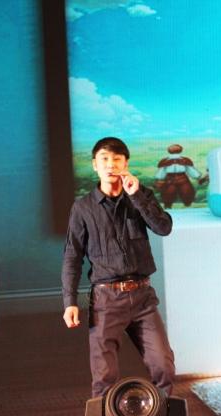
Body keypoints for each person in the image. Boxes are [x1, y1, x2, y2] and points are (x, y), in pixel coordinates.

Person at [61, 136, 175, 399]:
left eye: (117, 159)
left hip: (143, 298)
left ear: (126, 164)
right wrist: (69, 302)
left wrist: (137, 196)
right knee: (104, 378)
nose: (110, 164)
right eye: (104, 159)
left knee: (163, 366)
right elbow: (72, 256)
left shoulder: (141, 195)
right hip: (106, 299)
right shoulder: (83, 208)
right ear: (95, 165)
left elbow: (164, 228)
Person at [153, 143, 208, 208]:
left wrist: (198, 177)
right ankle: (168, 206)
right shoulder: (166, 161)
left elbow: (190, 169)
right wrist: (198, 177)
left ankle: (187, 205)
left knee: (187, 192)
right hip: (171, 179)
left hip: (182, 179)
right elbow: (190, 170)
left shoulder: (184, 160)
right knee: (168, 193)